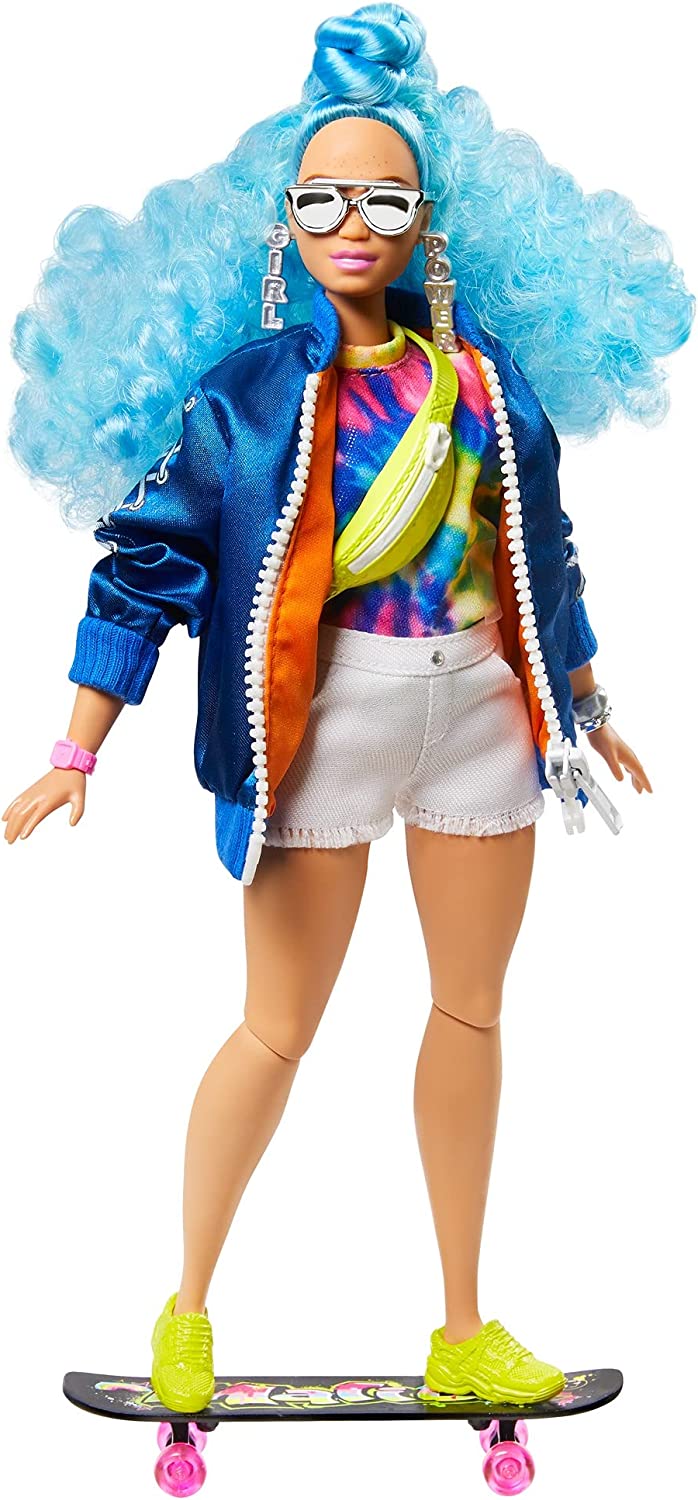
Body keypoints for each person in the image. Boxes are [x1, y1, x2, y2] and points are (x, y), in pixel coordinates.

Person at [4, 2, 691, 1414]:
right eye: (321, 199)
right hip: (319, 725)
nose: (352, 223)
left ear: (431, 219)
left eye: (382, 196)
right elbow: (149, 568)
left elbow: (539, 549)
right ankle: (186, 1310)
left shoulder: (487, 381)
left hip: (484, 715)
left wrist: (583, 693)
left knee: (471, 1014)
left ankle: (463, 1327)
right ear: (283, 224)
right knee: (277, 1029)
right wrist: (80, 745)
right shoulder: (247, 399)